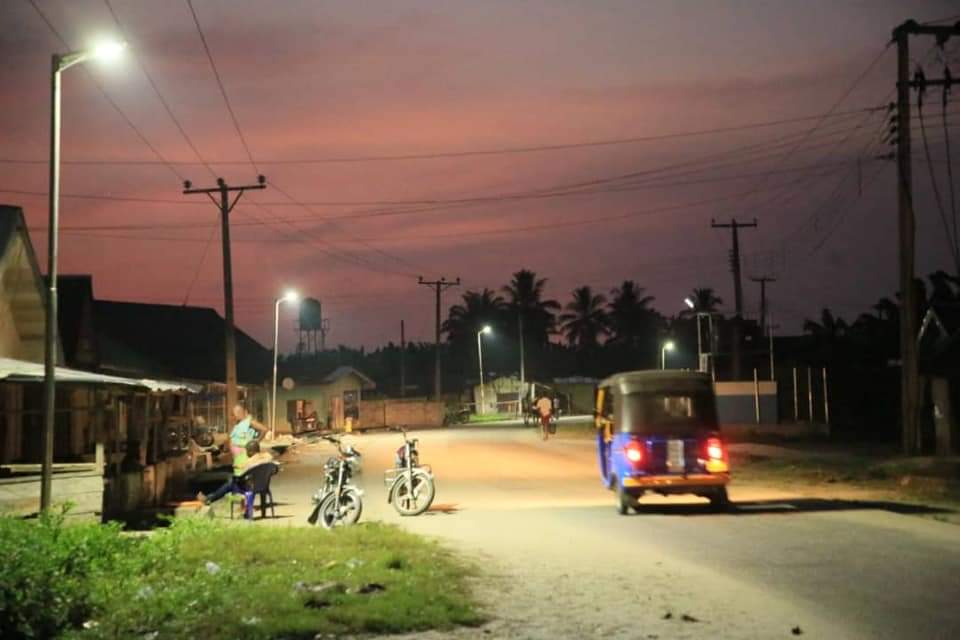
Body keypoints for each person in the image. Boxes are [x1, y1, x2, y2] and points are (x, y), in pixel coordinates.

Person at [200, 439, 274, 506]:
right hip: (263, 486)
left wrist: (236, 477)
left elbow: (244, 476)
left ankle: (209, 499)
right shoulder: (268, 457)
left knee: (230, 484)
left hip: (249, 487)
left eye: (247, 451)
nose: (246, 453)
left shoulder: (249, 462)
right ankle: (210, 497)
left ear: (250, 451)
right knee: (231, 482)